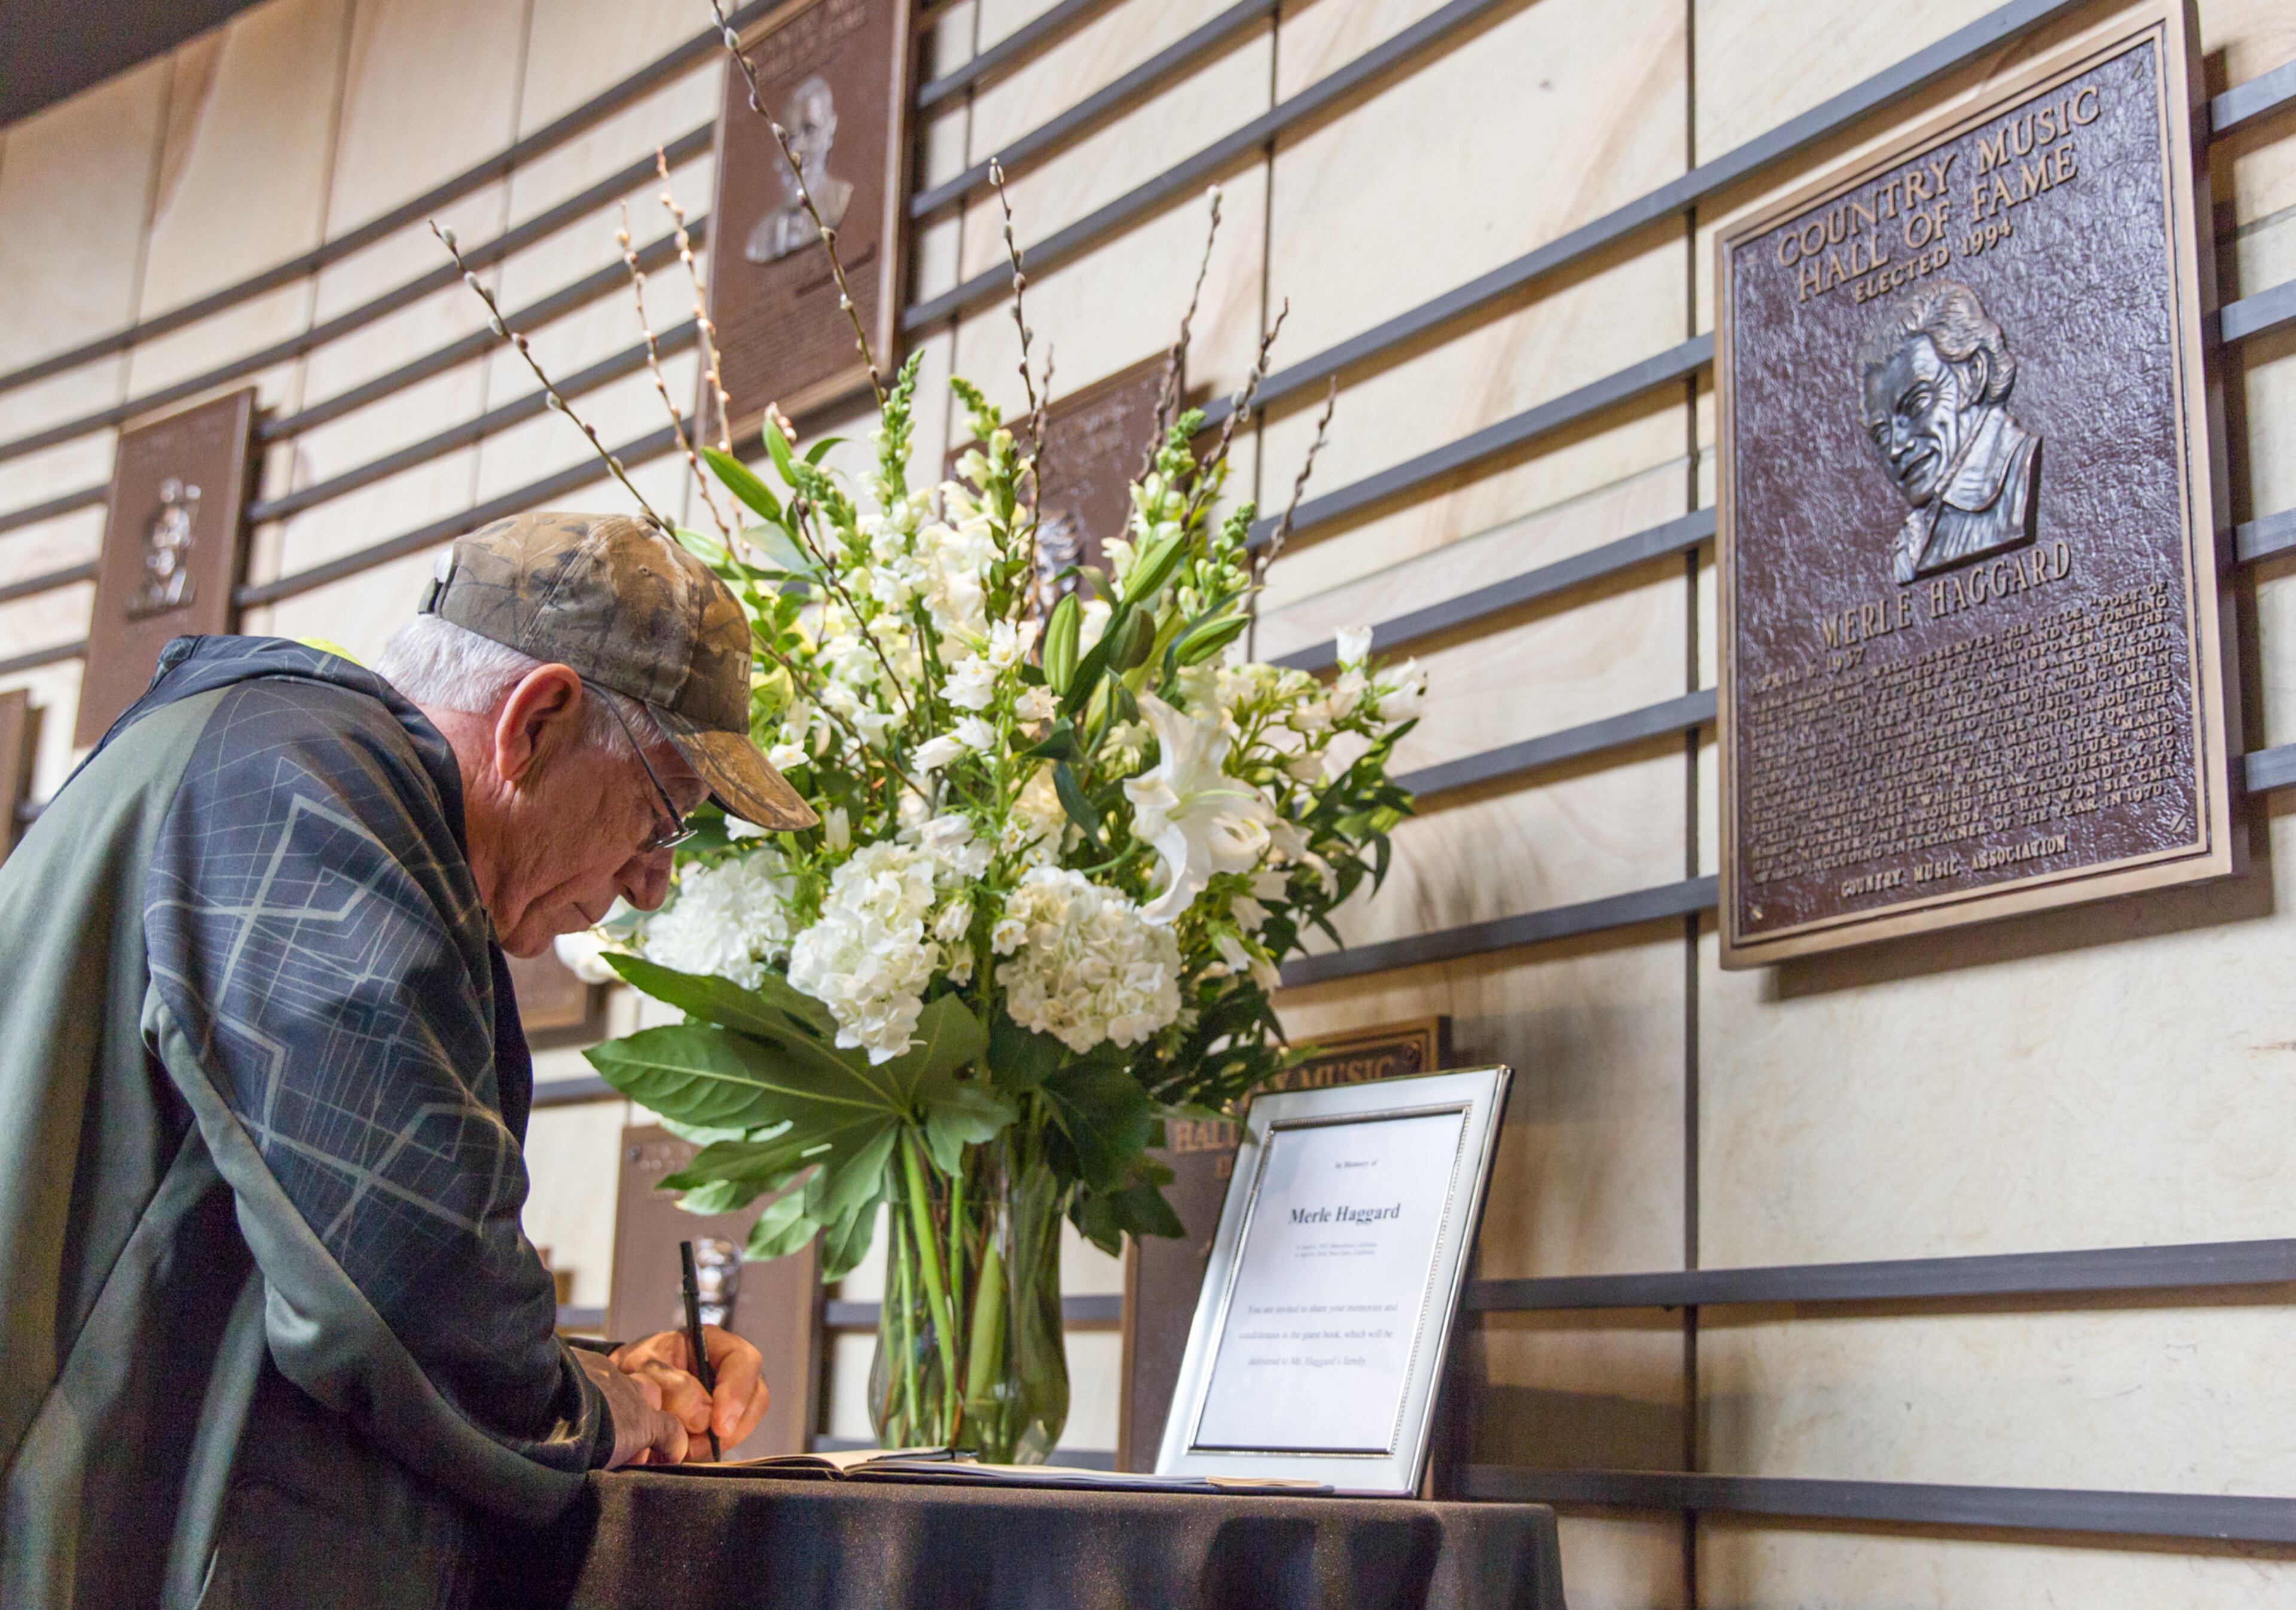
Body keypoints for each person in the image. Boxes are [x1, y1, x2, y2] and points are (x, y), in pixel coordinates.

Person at [0, 511, 818, 1609]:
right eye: (663, 815)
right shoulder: (313, 782)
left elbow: (276, 1259)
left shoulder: (274, 764)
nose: (651, 882)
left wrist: (605, 1372)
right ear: (537, 722)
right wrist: (615, 1411)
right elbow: (393, 1278)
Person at [1857, 279, 2042, 584]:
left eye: (1916, 405)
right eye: (1881, 434)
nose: (1895, 448)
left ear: (1973, 376)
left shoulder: (2021, 479)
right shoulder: (1913, 541)